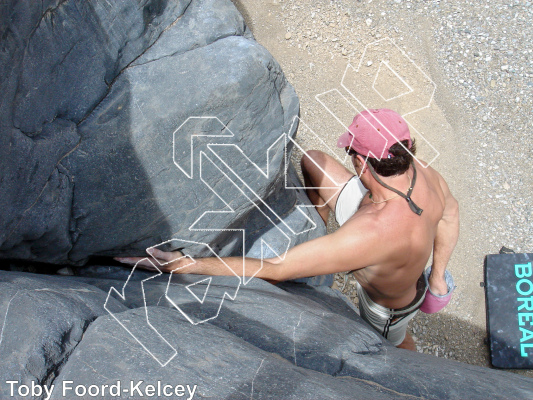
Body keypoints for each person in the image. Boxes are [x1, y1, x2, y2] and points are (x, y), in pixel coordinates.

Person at [116, 108, 459, 350]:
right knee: (315, 161)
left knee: (396, 340)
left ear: (361, 161)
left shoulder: (368, 235)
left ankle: (408, 364)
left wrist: (182, 264)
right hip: (386, 215)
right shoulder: (423, 171)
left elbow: (276, 268)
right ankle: (318, 232)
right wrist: (438, 278)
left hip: (388, 303)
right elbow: (449, 215)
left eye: (351, 151)